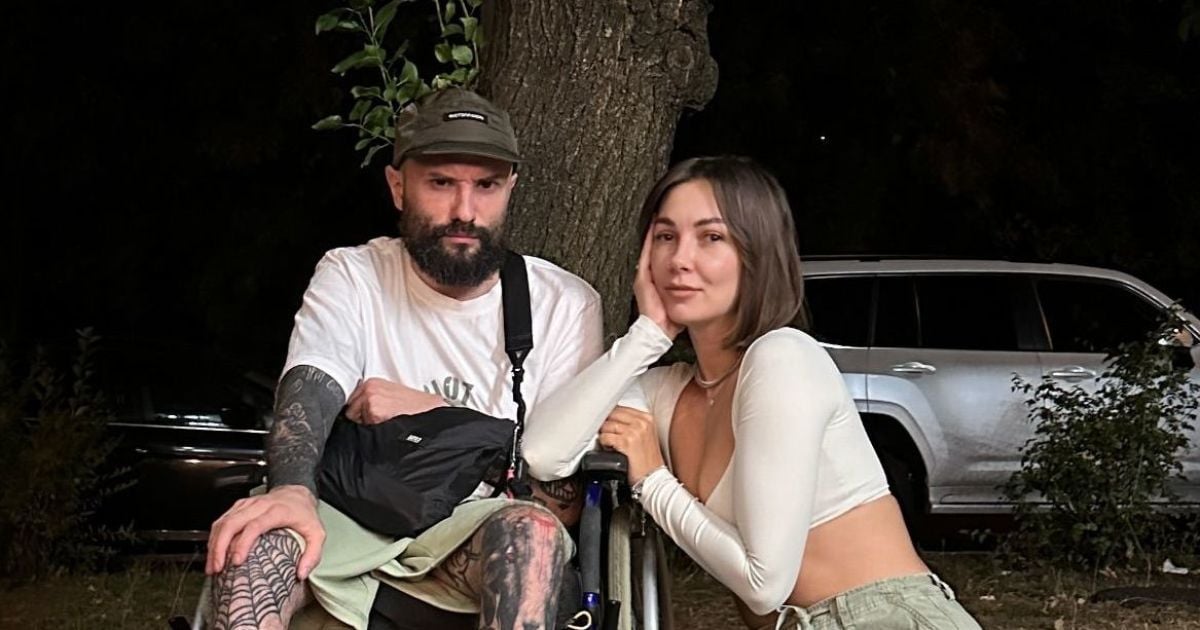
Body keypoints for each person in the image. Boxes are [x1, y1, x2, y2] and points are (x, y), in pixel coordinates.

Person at [522, 156, 981, 629]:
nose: (680, 259)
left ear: (755, 254)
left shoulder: (782, 358)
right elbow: (544, 454)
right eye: (665, 236)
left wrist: (653, 480)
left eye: (711, 237)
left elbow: (764, 583)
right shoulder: (668, 392)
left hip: (879, 616)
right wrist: (648, 335)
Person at [204, 88, 603, 630]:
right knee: (256, 540)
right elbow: (312, 380)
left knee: (531, 535)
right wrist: (291, 489)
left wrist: (433, 413)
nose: (464, 212)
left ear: (511, 188)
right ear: (398, 186)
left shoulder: (564, 304)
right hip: (348, 516)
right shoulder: (353, 275)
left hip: (476, 530)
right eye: (440, 183)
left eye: (486, 186)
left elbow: (563, 504)